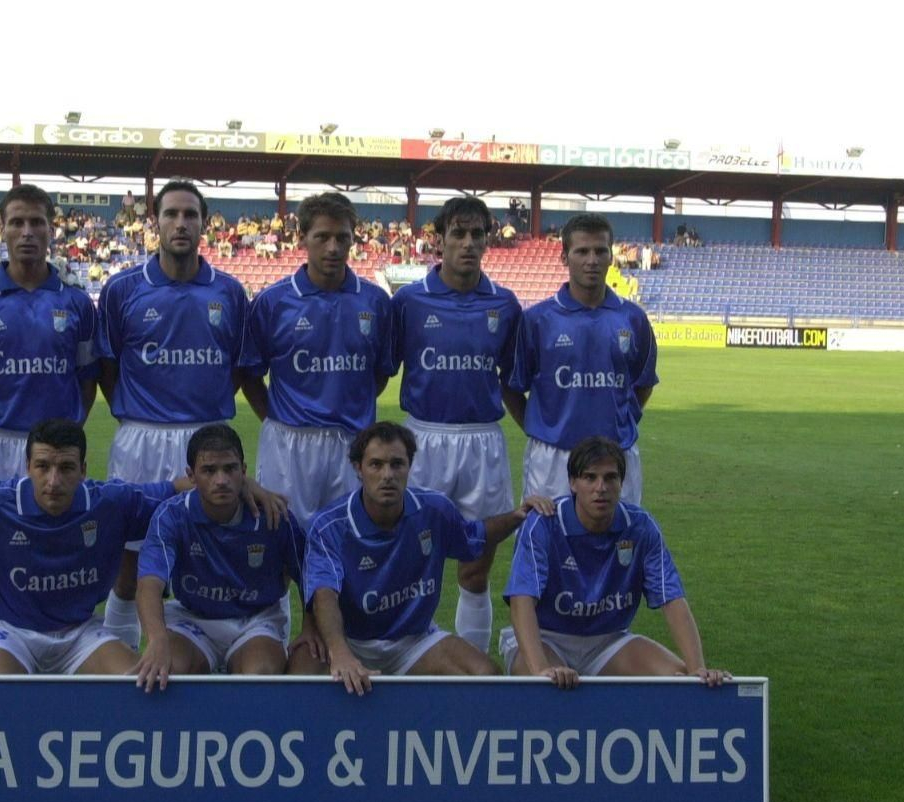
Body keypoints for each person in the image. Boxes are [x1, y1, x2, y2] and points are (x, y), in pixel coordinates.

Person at [0, 419, 280, 675]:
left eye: (66, 467)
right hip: (13, 633)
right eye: (43, 466)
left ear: (83, 470)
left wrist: (243, 483)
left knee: (138, 686)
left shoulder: (111, 503)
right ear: (27, 468)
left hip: (81, 634)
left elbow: (183, 487)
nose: (53, 480)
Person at [0, 184, 98, 658]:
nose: (27, 232)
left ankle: (55, 650)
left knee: (52, 545)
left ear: (52, 229)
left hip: (53, 453)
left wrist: (65, 432)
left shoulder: (75, 302)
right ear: (0, 229)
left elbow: (87, 378)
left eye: (37, 223)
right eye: (17, 223)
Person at [95, 180, 250, 647]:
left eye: (190, 215)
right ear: (155, 223)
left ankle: (205, 655)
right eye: (171, 215)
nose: (180, 224)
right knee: (129, 563)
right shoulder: (123, 289)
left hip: (206, 438)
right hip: (140, 436)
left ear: (205, 223)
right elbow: (107, 365)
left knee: (206, 556)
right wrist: (134, 411)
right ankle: (120, 665)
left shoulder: (229, 291)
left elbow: (238, 366)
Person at [296, 423, 551, 694]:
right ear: (358, 469)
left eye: (397, 464)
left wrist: (516, 516)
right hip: (350, 640)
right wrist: (340, 653)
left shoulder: (434, 509)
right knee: (298, 678)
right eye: (376, 465)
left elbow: (475, 537)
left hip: (414, 641)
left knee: (484, 676)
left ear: (410, 465)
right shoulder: (329, 526)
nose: (387, 475)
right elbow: (324, 595)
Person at [390, 196, 524, 654]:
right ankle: (403, 658)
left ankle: (474, 670)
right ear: (440, 239)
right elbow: (385, 367)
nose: (468, 244)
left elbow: (512, 378)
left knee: (475, 569)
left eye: (477, 235)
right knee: (408, 564)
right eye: (459, 234)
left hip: (482, 442)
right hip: (423, 439)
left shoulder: (505, 305)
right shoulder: (408, 300)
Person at [501, 436, 729, 689]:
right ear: (572, 483)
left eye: (610, 478)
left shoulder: (641, 527)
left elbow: (671, 598)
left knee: (681, 682)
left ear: (622, 483)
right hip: (547, 637)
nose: (601, 488)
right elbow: (522, 601)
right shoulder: (544, 523)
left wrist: (698, 669)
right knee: (545, 686)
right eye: (590, 477)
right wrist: (541, 669)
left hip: (609, 641)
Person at [238, 192, 396, 526]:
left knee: (348, 543)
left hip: (353, 441)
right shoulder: (273, 302)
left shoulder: (376, 302)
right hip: (288, 442)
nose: (333, 247)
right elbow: (250, 374)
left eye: (343, 238)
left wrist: (351, 403)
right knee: (280, 541)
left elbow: (381, 372)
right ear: (303, 238)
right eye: (322, 237)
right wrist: (280, 416)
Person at [131, 424, 307, 690]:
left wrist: (312, 627)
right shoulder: (171, 516)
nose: (221, 480)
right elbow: (148, 584)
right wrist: (156, 640)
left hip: (256, 620)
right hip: (192, 618)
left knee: (259, 678)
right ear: (191, 475)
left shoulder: (274, 515)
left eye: (230, 468)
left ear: (244, 471)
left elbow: (310, 576)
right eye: (209, 471)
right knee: (170, 673)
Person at [506, 213, 657, 505]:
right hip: (552, 455)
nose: (592, 260)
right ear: (565, 257)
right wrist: (538, 428)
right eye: (582, 251)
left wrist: (623, 420)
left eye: (601, 251)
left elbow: (644, 383)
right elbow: (511, 386)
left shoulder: (633, 318)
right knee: (547, 539)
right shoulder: (537, 320)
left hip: (616, 454)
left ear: (611, 256)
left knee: (618, 542)